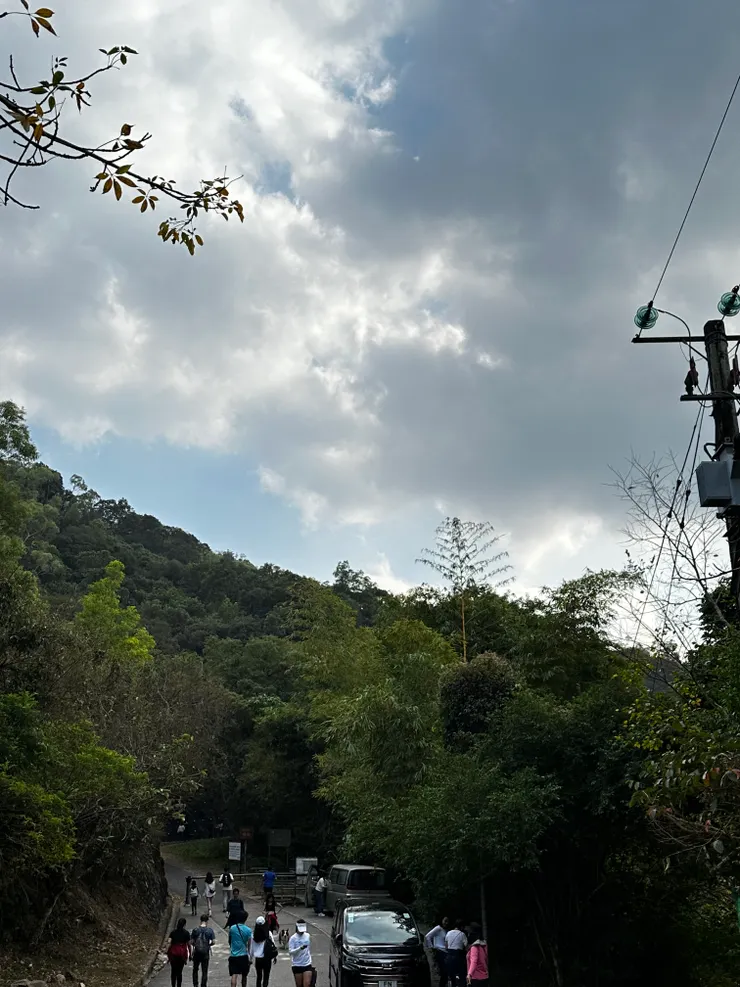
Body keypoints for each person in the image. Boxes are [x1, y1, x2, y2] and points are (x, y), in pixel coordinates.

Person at [229, 912, 253, 987]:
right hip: (244, 955)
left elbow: (230, 940)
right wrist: (250, 956)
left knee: (234, 974)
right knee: (244, 975)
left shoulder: (232, 928)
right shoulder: (248, 930)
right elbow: (250, 944)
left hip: (234, 955)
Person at [252, 915, 278, 987]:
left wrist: (250, 958)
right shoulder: (268, 933)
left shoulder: (254, 934)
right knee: (266, 976)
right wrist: (275, 957)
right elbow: (273, 944)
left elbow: (251, 947)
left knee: (259, 976)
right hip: (267, 958)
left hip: (258, 959)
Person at [191, 914, 216, 987]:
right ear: (207, 921)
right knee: (204, 970)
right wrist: (209, 945)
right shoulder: (210, 930)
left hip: (197, 952)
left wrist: (195, 945)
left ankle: (195, 984)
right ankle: (203, 985)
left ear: (200, 920)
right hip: (205, 952)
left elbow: (191, 941)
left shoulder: (195, 930)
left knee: (195, 969)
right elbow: (213, 942)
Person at [425, 916, 450, 987]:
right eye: (445, 921)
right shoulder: (438, 928)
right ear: (441, 920)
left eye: (447, 921)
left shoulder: (446, 930)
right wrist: (431, 947)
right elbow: (427, 936)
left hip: (446, 952)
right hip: (439, 952)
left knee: (445, 974)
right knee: (443, 973)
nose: (446, 923)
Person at [167, 917, 191, 987]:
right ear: (184, 925)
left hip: (173, 954)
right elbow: (189, 945)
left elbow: (169, 942)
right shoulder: (186, 933)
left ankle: (173, 985)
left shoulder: (173, 933)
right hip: (182, 955)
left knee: (173, 971)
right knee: (179, 972)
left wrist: (166, 951)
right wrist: (190, 954)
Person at [289, 919, 313, 987]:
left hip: (307, 963)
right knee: (299, 985)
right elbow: (291, 952)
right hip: (297, 964)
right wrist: (300, 948)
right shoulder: (293, 938)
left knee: (307, 984)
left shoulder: (307, 935)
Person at [445, 919, 468, 987]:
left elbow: (446, 946)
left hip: (449, 957)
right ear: (462, 927)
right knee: (461, 976)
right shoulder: (462, 934)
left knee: (451, 976)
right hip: (458, 957)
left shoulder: (448, 933)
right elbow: (466, 947)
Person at [466, 923, 488, 987]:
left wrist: (469, 974)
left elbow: (474, 961)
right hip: (484, 976)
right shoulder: (484, 945)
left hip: (476, 978)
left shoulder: (474, 947)